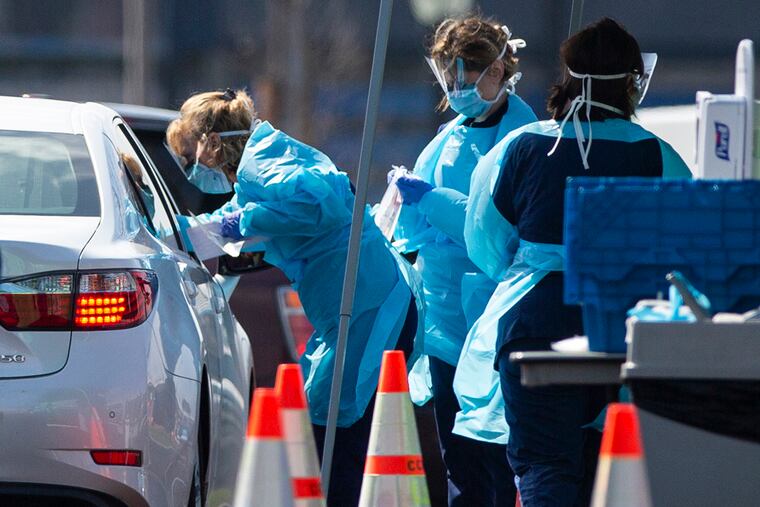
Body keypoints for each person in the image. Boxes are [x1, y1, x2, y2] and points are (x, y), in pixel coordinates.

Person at [460, 18, 691, 506]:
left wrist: (535, 268)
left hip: (533, 331)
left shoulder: (520, 148)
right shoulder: (659, 156)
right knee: (616, 472)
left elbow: (484, 243)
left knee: (546, 467)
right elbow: (686, 254)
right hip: (627, 337)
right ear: (632, 84)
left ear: (565, 79)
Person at [169, 89, 422, 507]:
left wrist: (242, 223)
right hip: (361, 309)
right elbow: (220, 225)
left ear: (212, 142)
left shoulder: (263, 165)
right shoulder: (260, 168)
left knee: (333, 439)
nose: (192, 166)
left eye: (189, 151)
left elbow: (318, 202)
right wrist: (174, 231)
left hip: (366, 309)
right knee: (324, 429)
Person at [392, 16, 537, 506]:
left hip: (498, 319)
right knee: (459, 461)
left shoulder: (526, 137)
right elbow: (413, 231)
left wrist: (430, 200)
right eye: (447, 76)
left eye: (467, 74)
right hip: (445, 323)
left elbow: (494, 228)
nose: (456, 87)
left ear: (499, 71)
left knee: (497, 459)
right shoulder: (446, 138)